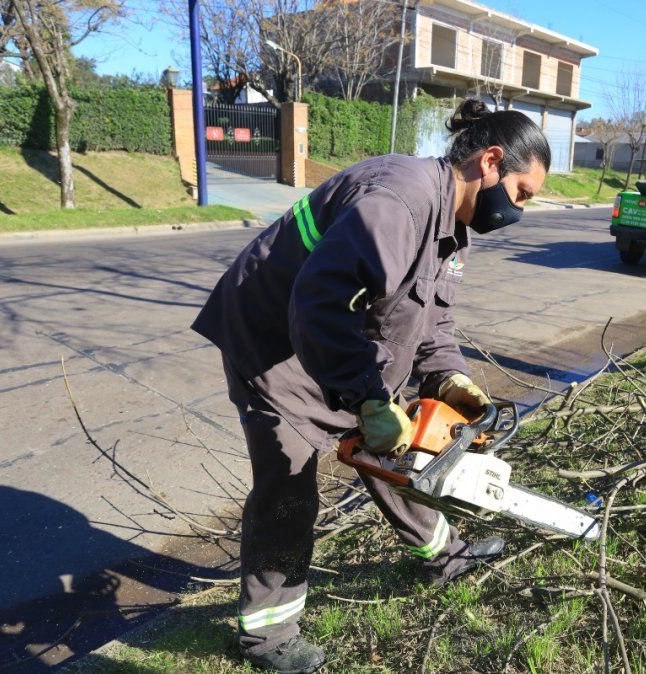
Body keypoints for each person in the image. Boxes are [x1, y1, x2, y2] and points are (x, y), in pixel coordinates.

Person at [192, 98, 550, 673]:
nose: (520, 210)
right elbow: (317, 305)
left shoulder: (450, 228)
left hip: (331, 340)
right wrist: (367, 397)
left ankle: (444, 556)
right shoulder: (398, 203)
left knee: (399, 451)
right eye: (522, 193)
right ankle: (267, 636)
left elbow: (431, 320)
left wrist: (449, 376)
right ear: (490, 162)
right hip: (270, 339)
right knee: (288, 484)